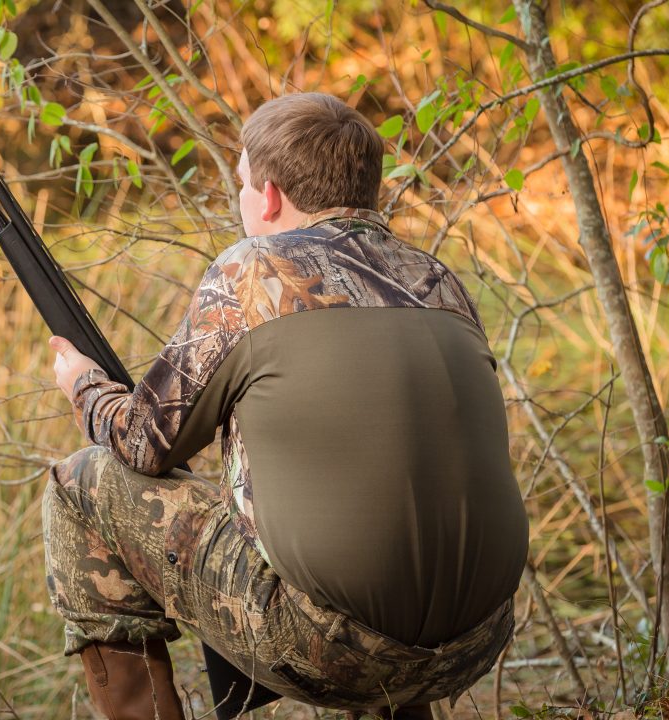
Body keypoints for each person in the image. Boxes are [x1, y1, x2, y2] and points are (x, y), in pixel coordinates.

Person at [42, 92, 529, 719]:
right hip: (475, 641)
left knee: (81, 482)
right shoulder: (438, 281)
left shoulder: (255, 272)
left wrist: (83, 384)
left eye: (242, 184)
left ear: (269, 195)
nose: (241, 201)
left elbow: (142, 445)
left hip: (331, 649)